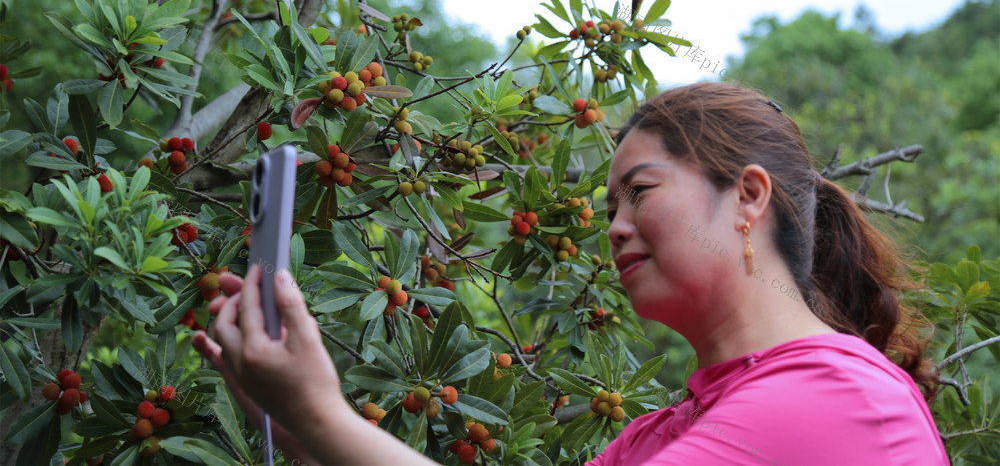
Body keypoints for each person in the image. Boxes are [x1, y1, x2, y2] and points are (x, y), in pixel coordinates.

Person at [193, 82, 949, 465]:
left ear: (747, 195)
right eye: (609, 203)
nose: (614, 226)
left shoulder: (835, 396)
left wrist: (327, 415)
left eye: (641, 192)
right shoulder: (659, 433)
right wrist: (300, 428)